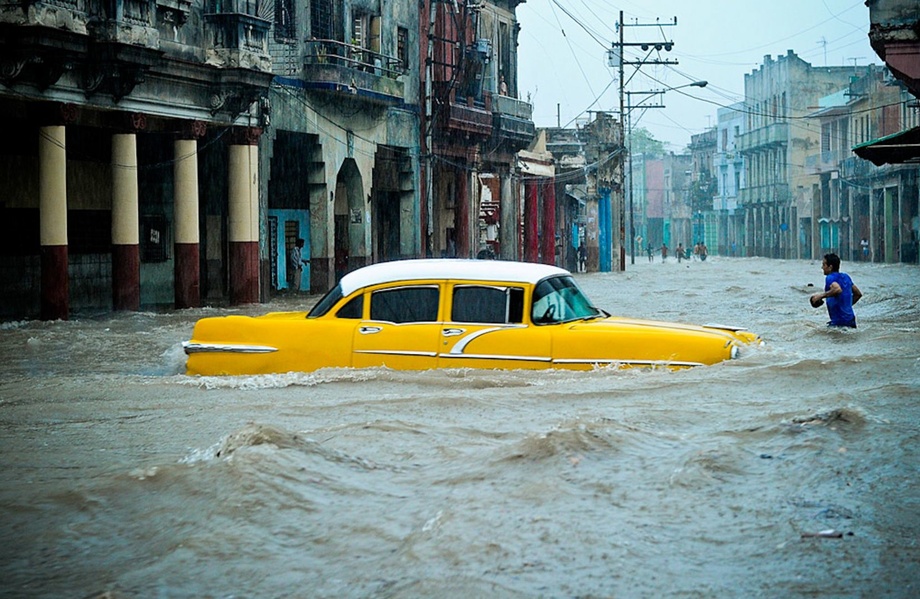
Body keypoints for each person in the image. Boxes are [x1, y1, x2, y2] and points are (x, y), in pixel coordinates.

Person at [810, 253, 862, 328]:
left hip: (839, 322)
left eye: (824, 265)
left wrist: (820, 296)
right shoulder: (846, 277)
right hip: (851, 320)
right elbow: (858, 294)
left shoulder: (830, 277)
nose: (822, 267)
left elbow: (837, 289)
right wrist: (845, 306)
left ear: (830, 267)